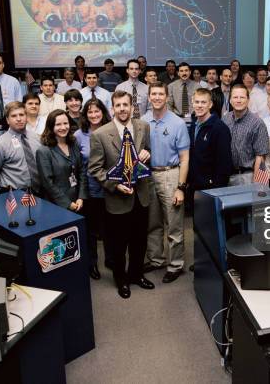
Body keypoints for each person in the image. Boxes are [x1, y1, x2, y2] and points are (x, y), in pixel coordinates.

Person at [89, 91, 153, 299]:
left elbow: (146, 152)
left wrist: (147, 154)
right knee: (118, 244)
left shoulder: (143, 126)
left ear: (132, 106)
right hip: (117, 199)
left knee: (139, 241)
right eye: (118, 105)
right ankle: (121, 279)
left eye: (126, 104)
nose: (122, 109)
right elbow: (95, 168)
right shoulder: (100, 135)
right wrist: (114, 186)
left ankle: (136, 275)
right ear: (112, 108)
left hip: (141, 195)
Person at [142, 82, 190, 283]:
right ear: (149, 96)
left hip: (171, 174)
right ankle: (156, 260)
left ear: (167, 96)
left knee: (174, 225)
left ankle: (175, 264)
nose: (157, 97)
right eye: (154, 94)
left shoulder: (177, 123)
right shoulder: (143, 121)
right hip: (148, 176)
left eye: (161, 94)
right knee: (152, 224)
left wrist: (181, 187)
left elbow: (185, 158)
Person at [74, 98, 112, 280]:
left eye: (97, 111)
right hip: (89, 188)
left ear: (103, 112)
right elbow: (77, 165)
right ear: (85, 115)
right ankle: (92, 263)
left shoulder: (112, 130)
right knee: (91, 229)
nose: (94, 115)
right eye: (90, 112)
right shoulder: (79, 136)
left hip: (110, 187)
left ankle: (111, 259)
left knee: (109, 227)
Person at [36, 110, 87, 214]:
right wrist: (67, 203)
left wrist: (81, 197)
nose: (63, 127)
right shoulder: (44, 151)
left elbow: (82, 171)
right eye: (58, 124)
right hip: (57, 205)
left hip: (78, 202)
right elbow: (48, 183)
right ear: (51, 127)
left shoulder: (74, 144)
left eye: (65, 123)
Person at [0, 101, 42, 193]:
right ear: (7, 120)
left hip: (39, 192)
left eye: (21, 115)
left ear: (26, 117)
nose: (19, 119)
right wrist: (5, 184)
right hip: (13, 194)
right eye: (14, 116)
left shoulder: (36, 138)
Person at [222, 84, 269, 185]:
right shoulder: (225, 120)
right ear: (230, 100)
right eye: (235, 97)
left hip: (248, 176)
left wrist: (257, 184)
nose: (238, 100)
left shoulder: (257, 123)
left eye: (242, 97)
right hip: (226, 175)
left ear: (248, 100)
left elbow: (260, 157)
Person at [188, 88, 233, 191]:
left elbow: (224, 164)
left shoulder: (220, 128)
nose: (199, 105)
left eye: (203, 102)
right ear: (193, 103)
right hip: (194, 185)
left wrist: (216, 188)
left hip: (212, 187)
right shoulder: (193, 125)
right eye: (197, 102)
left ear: (210, 104)